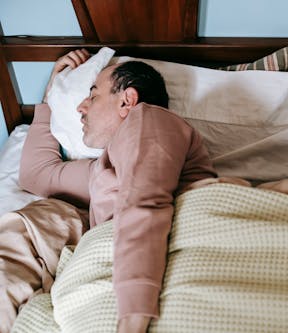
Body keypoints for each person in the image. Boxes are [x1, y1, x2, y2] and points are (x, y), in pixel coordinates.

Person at [11, 49, 217, 332]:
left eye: (93, 95)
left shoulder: (150, 120)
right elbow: (38, 176)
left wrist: (133, 316)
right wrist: (49, 98)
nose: (81, 107)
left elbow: (145, 203)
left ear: (127, 100)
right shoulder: (102, 170)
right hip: (111, 260)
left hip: (169, 258)